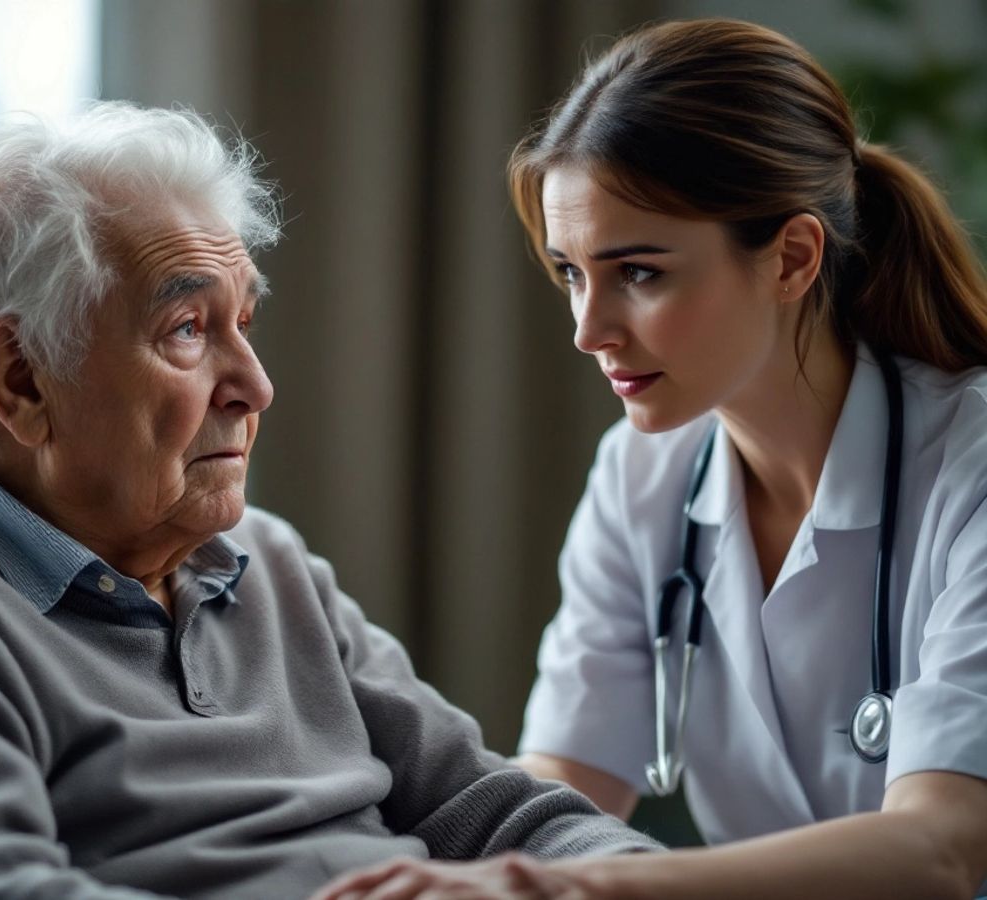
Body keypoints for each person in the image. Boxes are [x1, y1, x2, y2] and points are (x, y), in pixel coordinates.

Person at [0, 102, 661, 900]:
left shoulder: (264, 560)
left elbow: (497, 809)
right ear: (21, 378)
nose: (255, 385)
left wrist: (642, 885)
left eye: (245, 321)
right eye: (187, 330)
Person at [318, 17, 987, 900]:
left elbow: (944, 849)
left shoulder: (969, 465)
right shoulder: (643, 478)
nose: (588, 330)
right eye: (570, 272)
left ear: (792, 258)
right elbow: (556, 794)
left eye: (638, 272)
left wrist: (585, 890)